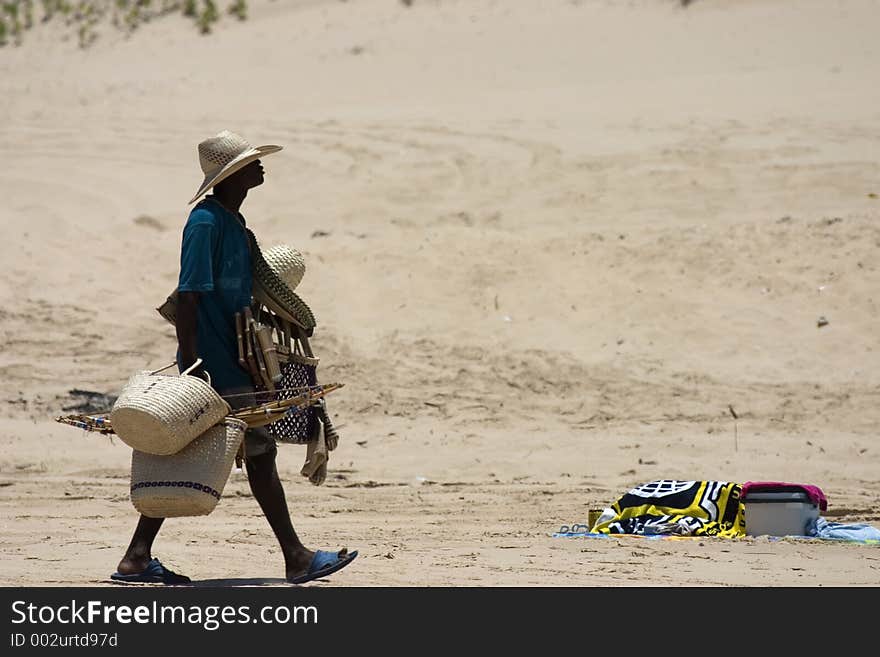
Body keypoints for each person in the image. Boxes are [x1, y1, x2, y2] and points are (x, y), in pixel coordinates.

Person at [110, 130, 357, 585]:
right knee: (257, 453)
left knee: (194, 446)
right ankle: (296, 557)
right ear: (233, 175)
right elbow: (189, 295)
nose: (260, 166)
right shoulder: (204, 223)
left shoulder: (234, 223)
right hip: (215, 360)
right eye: (251, 162)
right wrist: (192, 362)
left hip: (235, 357)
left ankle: (138, 556)